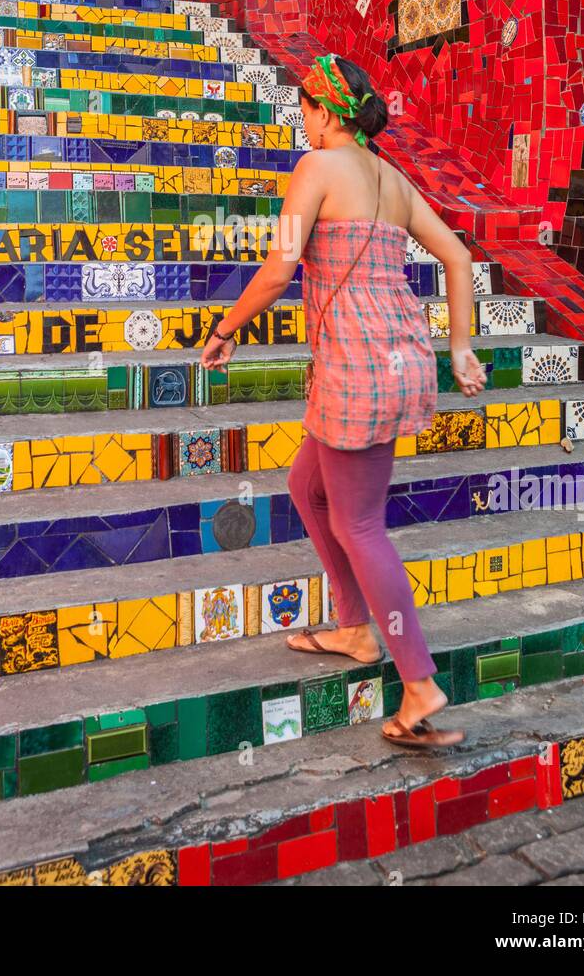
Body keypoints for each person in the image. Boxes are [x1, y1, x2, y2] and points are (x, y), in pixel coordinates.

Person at [201, 53, 487, 748]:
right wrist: (460, 348)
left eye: (305, 109)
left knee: (359, 524)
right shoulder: (392, 179)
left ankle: (418, 683)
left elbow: (278, 269)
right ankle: (355, 628)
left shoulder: (318, 170)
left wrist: (225, 328)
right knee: (309, 486)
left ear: (327, 112)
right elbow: (457, 257)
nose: (303, 121)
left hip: (356, 368)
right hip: (401, 360)